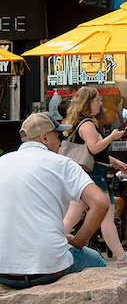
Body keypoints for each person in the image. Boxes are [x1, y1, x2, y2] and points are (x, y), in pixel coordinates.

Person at [0, 114, 112, 288]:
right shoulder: (63, 164)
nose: (61, 142)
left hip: (4, 270)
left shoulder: (2, 162)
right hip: (49, 266)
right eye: (58, 136)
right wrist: (78, 242)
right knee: (96, 261)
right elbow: (101, 203)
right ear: (44, 137)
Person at [58, 86, 127, 268]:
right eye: (97, 100)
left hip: (88, 174)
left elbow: (93, 152)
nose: (100, 103)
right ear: (88, 103)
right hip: (94, 176)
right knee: (105, 216)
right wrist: (112, 137)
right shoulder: (88, 124)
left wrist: (113, 161)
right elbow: (94, 148)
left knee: (73, 216)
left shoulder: (83, 122)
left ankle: (51, 244)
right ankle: (122, 258)